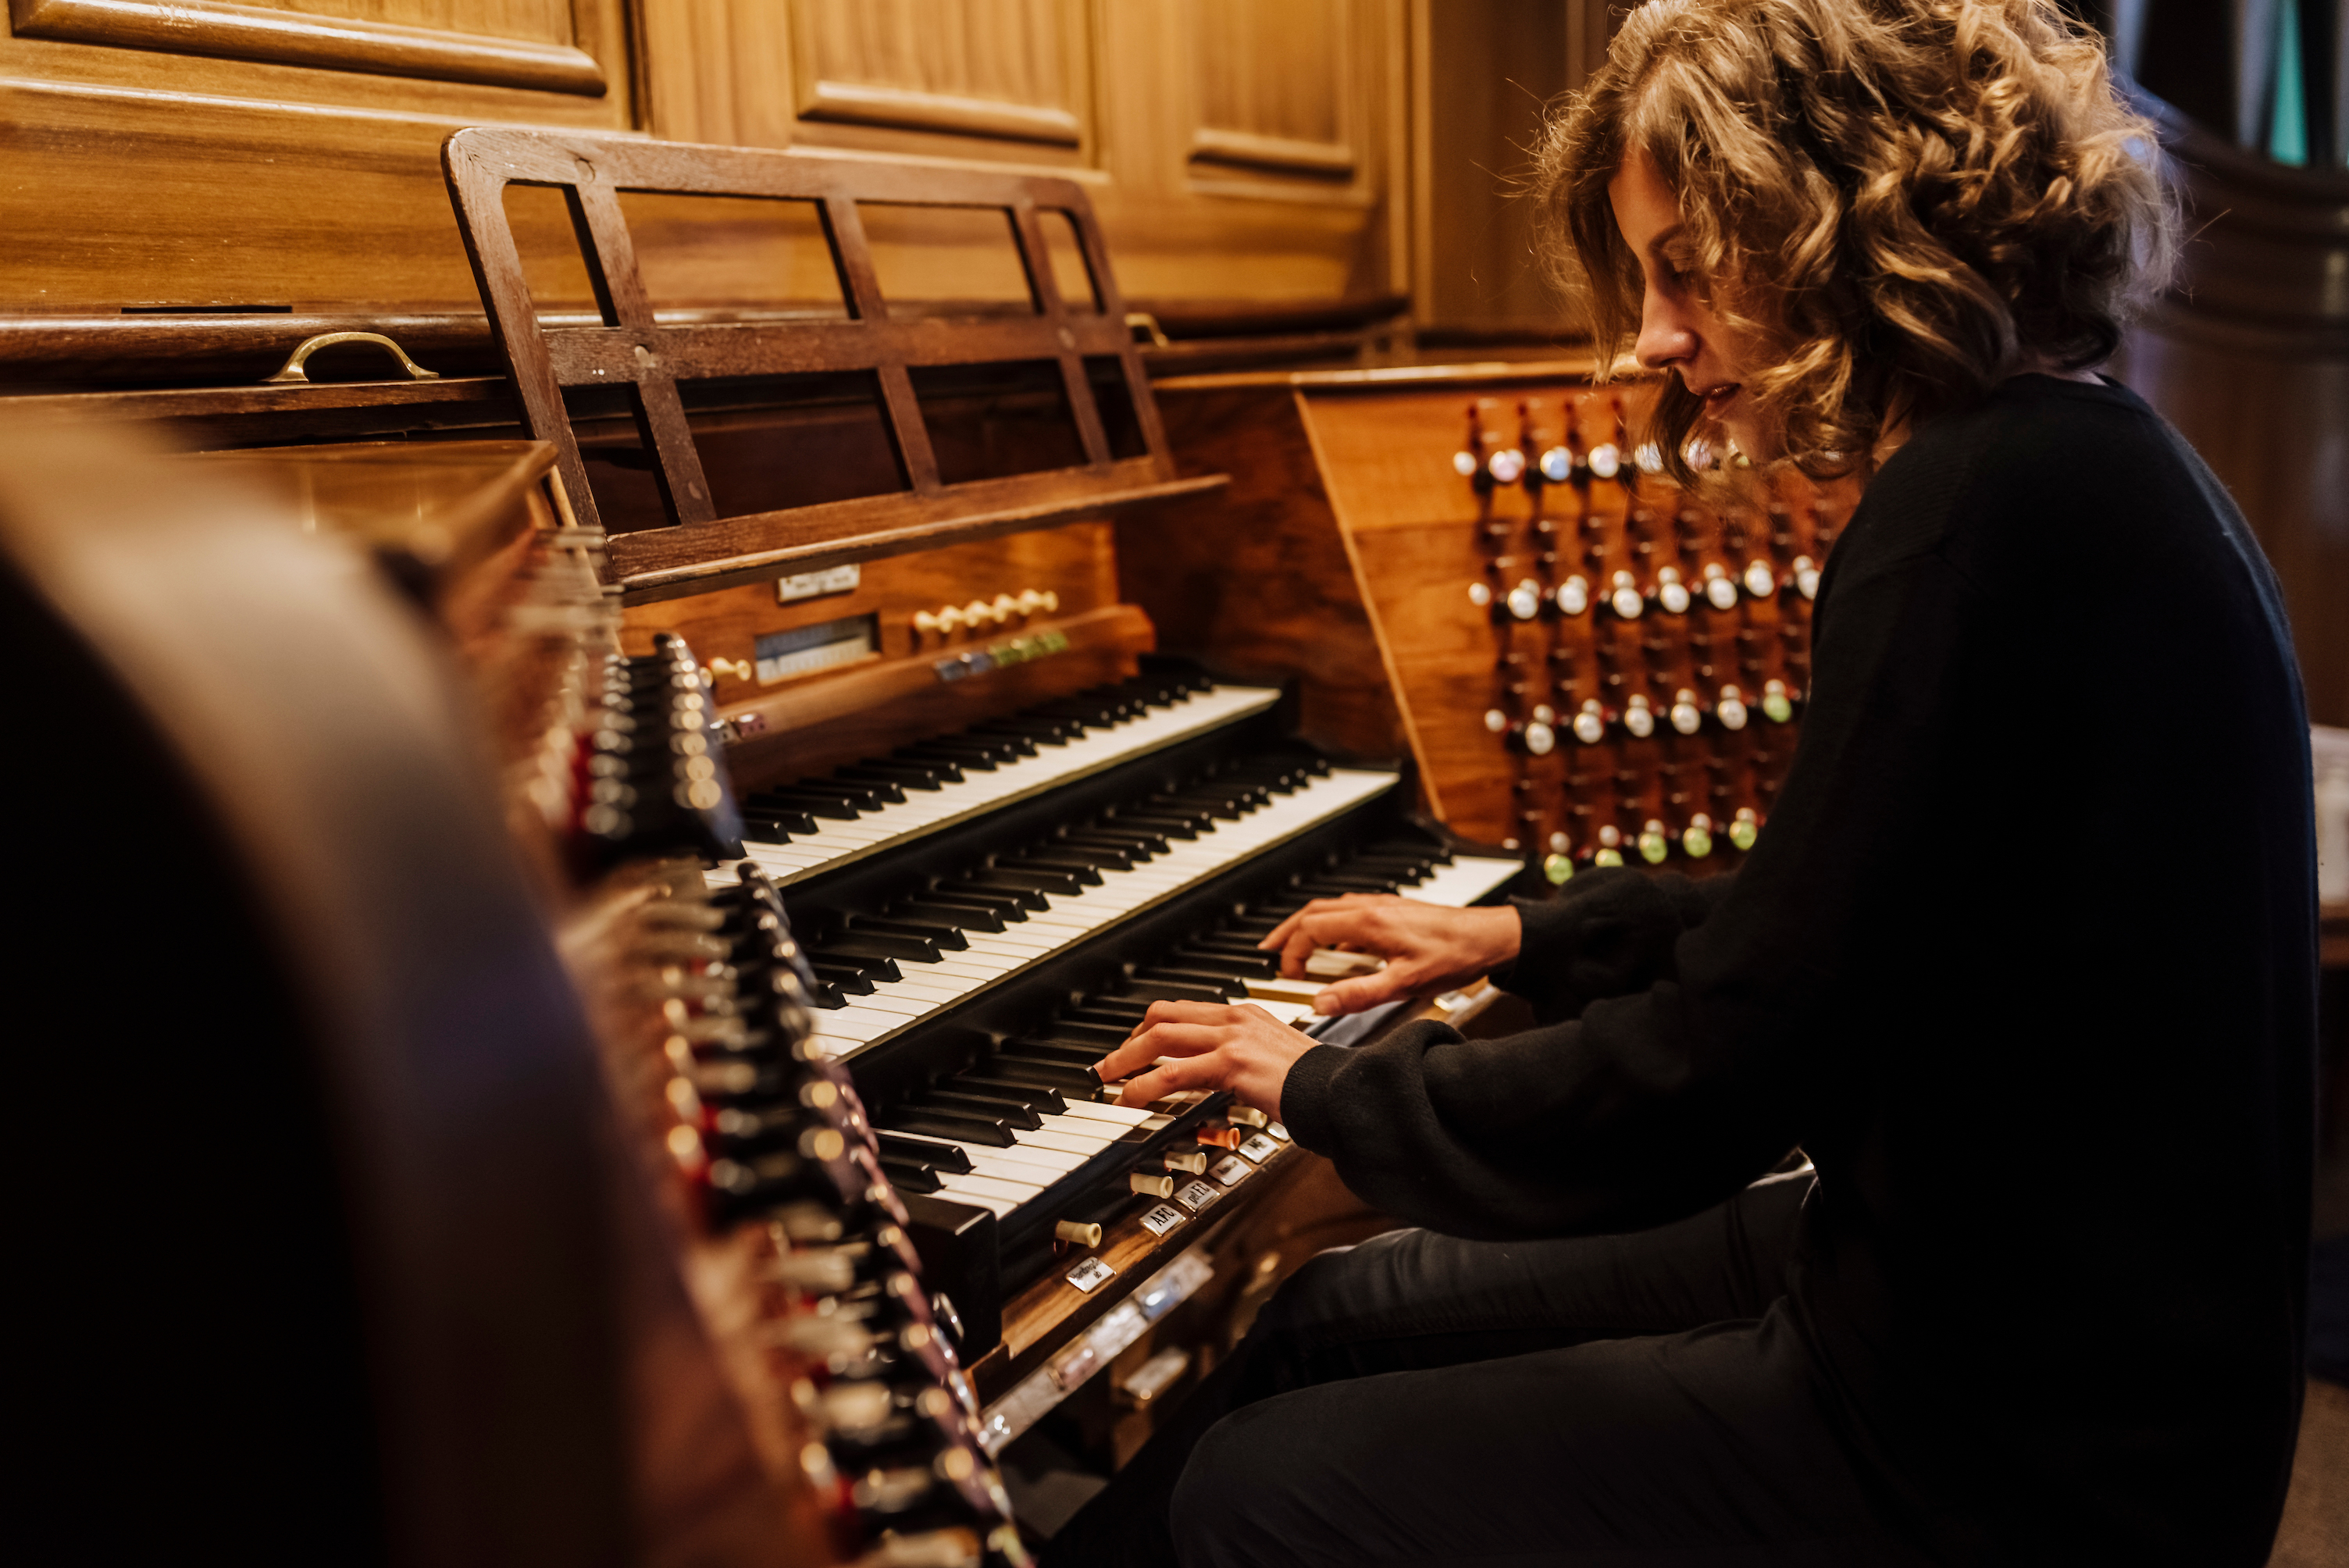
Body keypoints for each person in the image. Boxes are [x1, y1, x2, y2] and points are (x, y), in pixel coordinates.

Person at [1043, 2, 2317, 1564]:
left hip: (2014, 1435)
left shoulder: (1973, 508)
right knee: (1327, 1308)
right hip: (2010, 1297)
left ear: (1836, 222)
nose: (1648, 337)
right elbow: (1841, 917)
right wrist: (1516, 939)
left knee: (1264, 1479)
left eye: (1681, 267)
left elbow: (1714, 1077)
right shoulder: (2068, 453)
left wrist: (1317, 1083)